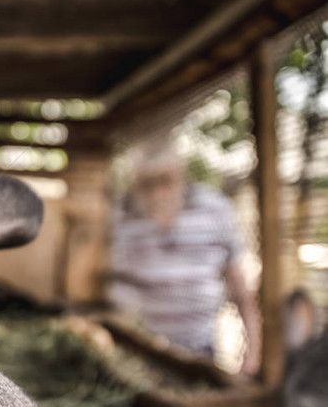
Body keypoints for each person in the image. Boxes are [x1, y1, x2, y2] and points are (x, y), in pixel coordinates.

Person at [108, 136, 262, 377]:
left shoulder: (214, 209)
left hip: (201, 350)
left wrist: (252, 352)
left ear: (181, 175)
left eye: (165, 181)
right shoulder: (122, 217)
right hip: (142, 353)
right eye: (147, 184)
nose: (158, 192)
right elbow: (114, 289)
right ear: (135, 183)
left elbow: (239, 284)